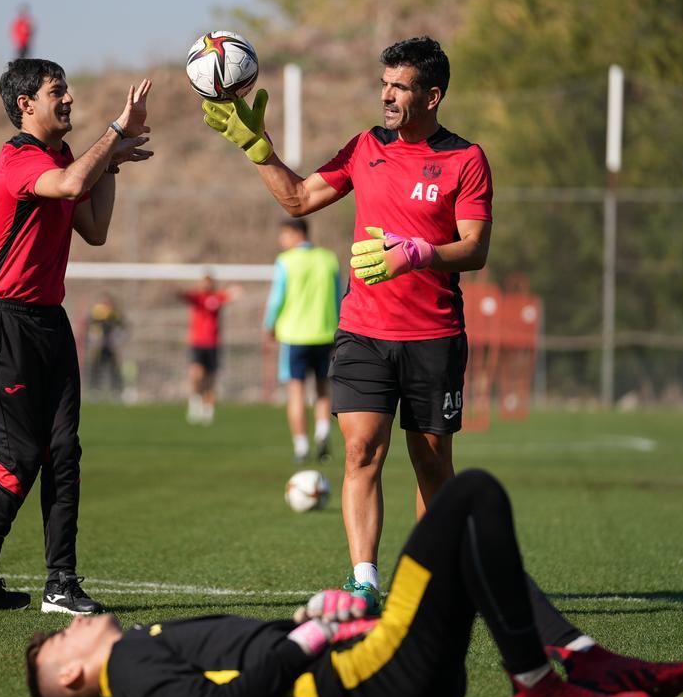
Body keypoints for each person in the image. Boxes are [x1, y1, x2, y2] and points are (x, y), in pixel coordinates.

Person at [25, 469, 683, 697]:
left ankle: (581, 660)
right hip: (372, 677)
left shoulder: (137, 655)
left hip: (381, 674)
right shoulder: (130, 673)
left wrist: (308, 618)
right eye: (62, 640)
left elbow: (239, 660)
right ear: (72, 672)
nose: (72, 629)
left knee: (471, 532)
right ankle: (543, 685)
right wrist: (310, 639)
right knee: (468, 496)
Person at [202, 36, 492, 608]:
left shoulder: (466, 158)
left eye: (399, 87)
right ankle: (365, 580)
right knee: (361, 450)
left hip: (433, 334)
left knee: (432, 465)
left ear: (432, 96)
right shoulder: (364, 147)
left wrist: (420, 253)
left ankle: (429, 578)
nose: (385, 95)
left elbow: (476, 248)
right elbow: (298, 200)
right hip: (362, 330)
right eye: (383, 83)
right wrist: (256, 148)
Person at [0, 58, 153, 615]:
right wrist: (114, 135)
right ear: (26, 104)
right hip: (0, 320)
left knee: (62, 452)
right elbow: (75, 181)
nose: (69, 98)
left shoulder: (60, 160)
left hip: (47, 320)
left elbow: (96, 230)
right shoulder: (19, 160)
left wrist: (112, 168)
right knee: (20, 456)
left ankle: (61, 585)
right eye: (57, 91)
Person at [264, 218, 342, 462]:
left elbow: (277, 298)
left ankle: (301, 446)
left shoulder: (285, 261)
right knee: (322, 389)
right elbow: (338, 297)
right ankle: (322, 432)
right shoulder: (329, 259)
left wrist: (269, 325)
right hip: (325, 333)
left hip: (295, 335)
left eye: (284, 235)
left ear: (296, 234)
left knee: (296, 391)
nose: (281, 241)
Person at [179, 274, 241, 425]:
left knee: (211, 379)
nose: (205, 286)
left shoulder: (216, 298)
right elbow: (182, 295)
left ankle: (208, 411)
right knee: (196, 373)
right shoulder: (197, 298)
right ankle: (195, 400)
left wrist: (235, 292)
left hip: (213, 344)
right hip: (197, 343)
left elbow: (231, 295)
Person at [86, 293, 125, 399]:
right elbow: (91, 328)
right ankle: (94, 389)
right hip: (99, 345)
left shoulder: (116, 314)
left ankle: (116, 390)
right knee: (95, 366)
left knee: (113, 367)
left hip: (110, 345)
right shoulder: (96, 313)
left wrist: (117, 340)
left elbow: (121, 328)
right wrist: (93, 340)